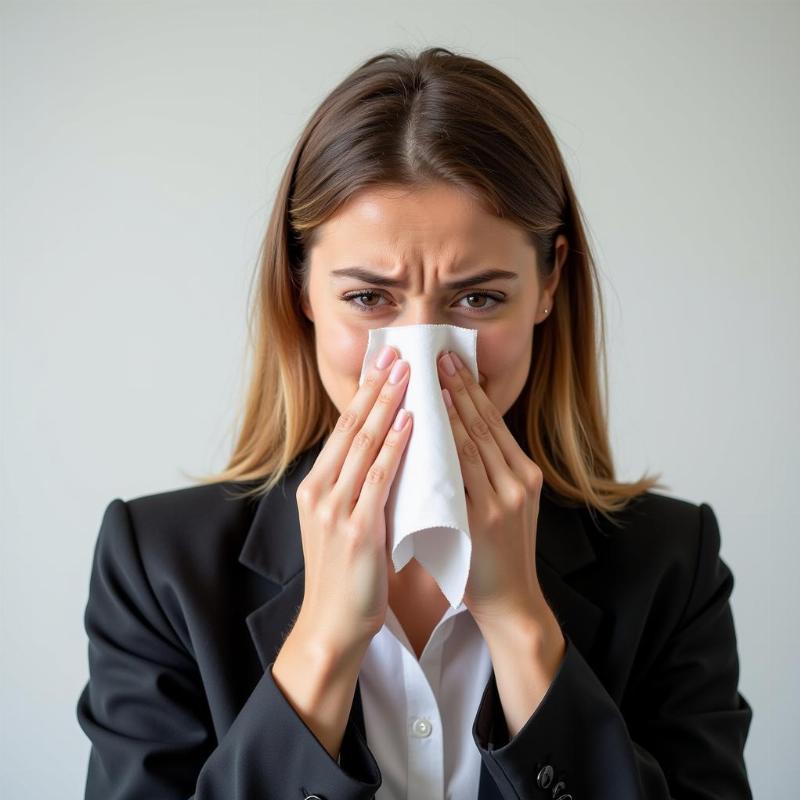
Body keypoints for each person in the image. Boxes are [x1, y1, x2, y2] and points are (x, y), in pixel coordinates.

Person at [76, 47, 754, 799]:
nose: (427, 360)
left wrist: (521, 623)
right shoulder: (158, 568)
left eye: (478, 299)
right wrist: (327, 638)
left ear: (549, 282)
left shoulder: (670, 565)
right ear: (301, 288)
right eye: (370, 300)